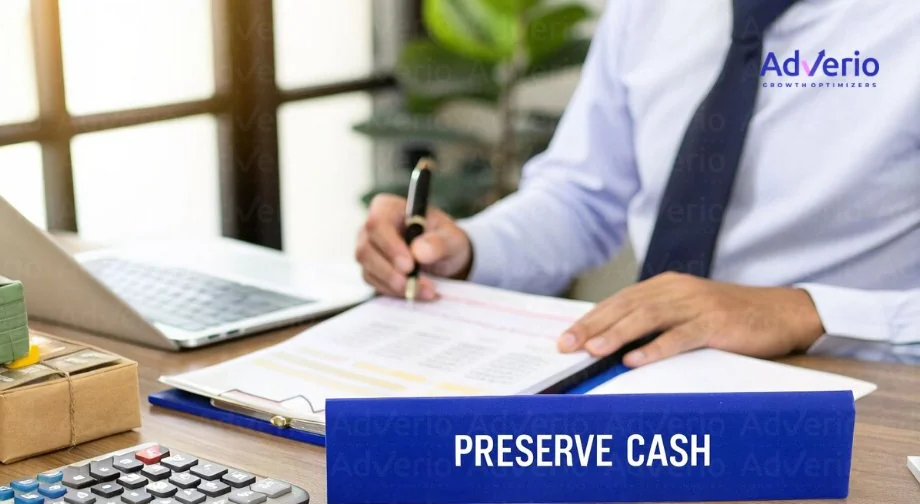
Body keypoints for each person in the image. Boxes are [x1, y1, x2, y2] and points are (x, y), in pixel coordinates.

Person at [355, 0, 920, 366]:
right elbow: (582, 196)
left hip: (863, 389)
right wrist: (467, 248)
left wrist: (806, 312)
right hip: (650, 378)